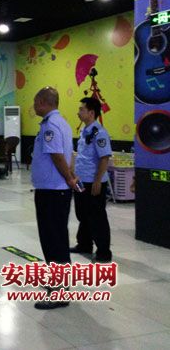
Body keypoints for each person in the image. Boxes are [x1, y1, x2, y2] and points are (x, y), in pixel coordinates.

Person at [31, 87, 78, 310]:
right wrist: (70, 176)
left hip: (52, 191)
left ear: (42, 102)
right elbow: (67, 155)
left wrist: (69, 178)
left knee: (53, 240)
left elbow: (58, 156)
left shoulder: (50, 125)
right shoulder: (63, 123)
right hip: (54, 190)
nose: (33, 106)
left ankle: (59, 292)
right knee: (57, 238)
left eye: (35, 102)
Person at [71, 97, 113, 262]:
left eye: (81, 109)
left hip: (93, 182)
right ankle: (84, 244)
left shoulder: (99, 133)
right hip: (81, 181)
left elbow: (104, 158)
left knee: (97, 216)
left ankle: (104, 252)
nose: (78, 112)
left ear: (91, 113)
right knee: (82, 213)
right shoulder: (84, 131)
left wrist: (97, 181)